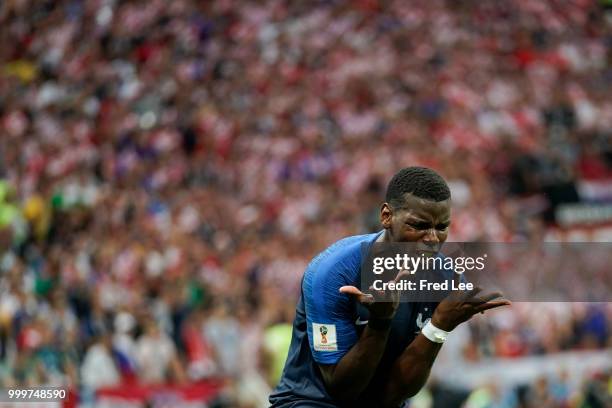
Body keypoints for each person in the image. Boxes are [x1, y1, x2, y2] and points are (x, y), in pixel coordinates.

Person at [269, 167, 511, 407]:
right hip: (311, 402)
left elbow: (395, 393)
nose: (432, 239)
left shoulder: (444, 279)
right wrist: (380, 322)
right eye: (419, 226)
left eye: (442, 227)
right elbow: (341, 389)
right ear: (386, 216)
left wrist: (439, 326)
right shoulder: (333, 273)